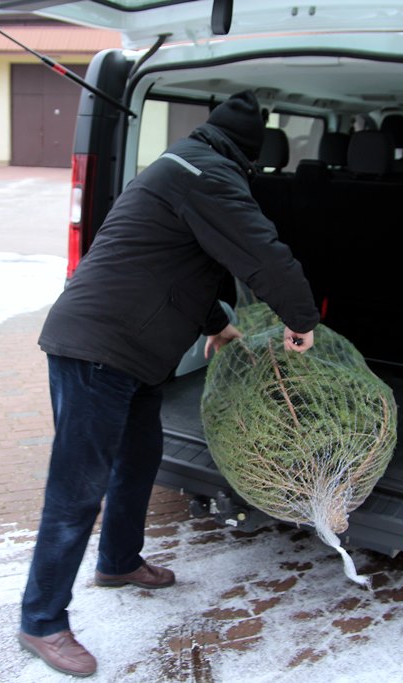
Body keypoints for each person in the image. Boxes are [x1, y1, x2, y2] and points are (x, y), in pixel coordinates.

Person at [18, 90, 320, 677]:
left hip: (129, 352)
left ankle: (119, 561)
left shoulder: (184, 166)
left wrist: (217, 326)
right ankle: (42, 620)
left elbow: (179, 266)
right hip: (98, 350)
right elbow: (262, 253)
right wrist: (301, 318)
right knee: (77, 489)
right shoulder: (208, 177)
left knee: (139, 458)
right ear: (249, 153)